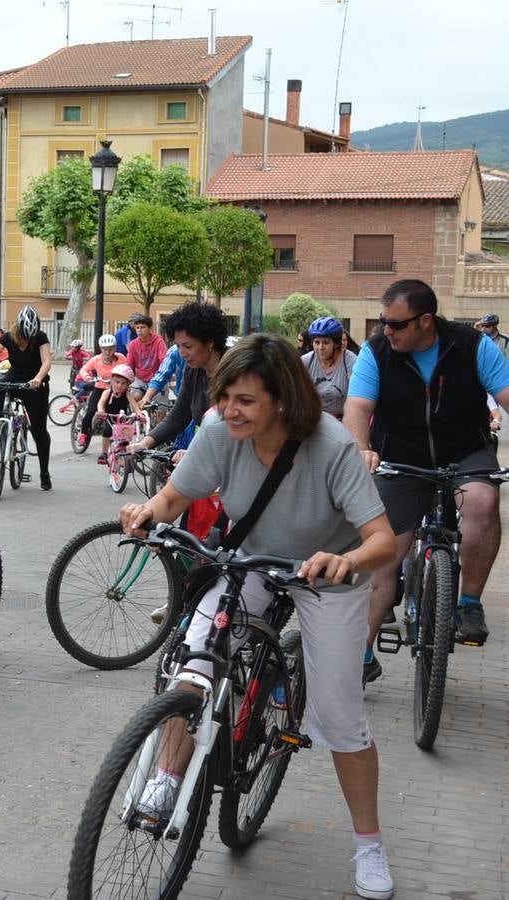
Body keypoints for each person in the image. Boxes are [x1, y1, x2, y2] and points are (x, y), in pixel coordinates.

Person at [120, 333, 397, 900]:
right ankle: (168, 777)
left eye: (245, 400)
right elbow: (173, 497)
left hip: (327, 576)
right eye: (224, 397)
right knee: (194, 664)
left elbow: (382, 540)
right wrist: (148, 511)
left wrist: (345, 560)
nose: (229, 410)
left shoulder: (332, 446)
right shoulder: (219, 431)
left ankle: (368, 844)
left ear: (283, 400)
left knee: (340, 719)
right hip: (252, 561)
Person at [343, 278, 509, 660]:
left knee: (482, 501)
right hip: (401, 457)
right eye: (383, 321)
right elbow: (357, 408)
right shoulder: (376, 351)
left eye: (396, 323)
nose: (387, 330)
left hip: (466, 452)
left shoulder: (472, 345)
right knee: (383, 558)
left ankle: (469, 603)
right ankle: (359, 657)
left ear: (425, 321)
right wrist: (363, 448)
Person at [131, 301, 230, 456]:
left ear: (210, 343)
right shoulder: (193, 370)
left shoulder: (234, 371)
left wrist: (194, 452)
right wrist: (145, 442)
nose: (182, 353)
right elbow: (179, 415)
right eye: (178, 346)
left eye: (188, 346)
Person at [0, 306, 54, 490]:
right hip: (14, 376)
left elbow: (47, 361)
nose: (27, 340)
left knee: (39, 431)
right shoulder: (8, 337)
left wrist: (38, 378)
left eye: (30, 337)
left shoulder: (41, 337)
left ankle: (44, 472)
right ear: (18, 330)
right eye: (24, 336)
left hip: (35, 384)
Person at [75, 334, 128, 452]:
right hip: (100, 388)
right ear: (101, 349)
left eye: (110, 349)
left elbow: (128, 369)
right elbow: (84, 369)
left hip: (116, 389)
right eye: (105, 349)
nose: (108, 352)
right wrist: (86, 376)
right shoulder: (96, 360)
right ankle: (84, 433)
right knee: (91, 411)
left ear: (114, 348)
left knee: (119, 414)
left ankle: (119, 439)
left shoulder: (121, 358)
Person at [300, 316, 357, 419]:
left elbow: (357, 396)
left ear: (336, 344)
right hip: (314, 418)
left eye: (326, 342)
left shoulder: (350, 361)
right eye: (317, 342)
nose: (320, 347)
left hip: (343, 419)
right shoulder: (306, 361)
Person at [94, 363, 142, 465]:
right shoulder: (107, 392)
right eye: (117, 382)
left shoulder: (127, 394)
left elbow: (135, 406)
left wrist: (139, 414)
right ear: (112, 381)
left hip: (123, 419)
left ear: (128, 385)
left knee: (125, 438)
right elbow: (100, 403)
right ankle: (104, 453)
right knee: (106, 431)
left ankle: (123, 457)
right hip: (109, 417)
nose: (119, 385)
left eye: (123, 383)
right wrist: (101, 411)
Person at [124, 313, 168, 397]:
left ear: (149, 328)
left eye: (143, 327)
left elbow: (164, 360)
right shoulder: (133, 344)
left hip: (157, 378)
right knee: (134, 398)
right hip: (140, 380)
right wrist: (124, 377)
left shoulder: (158, 341)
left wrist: (163, 376)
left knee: (159, 405)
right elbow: (129, 364)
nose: (139, 330)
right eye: (137, 328)